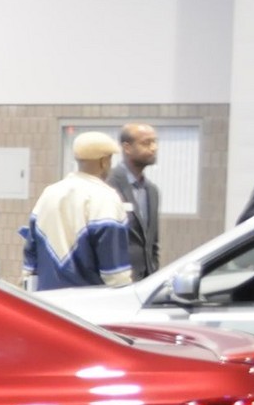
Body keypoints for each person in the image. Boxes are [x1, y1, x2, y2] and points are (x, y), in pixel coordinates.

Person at [21, 132, 135, 291]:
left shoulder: (49, 193)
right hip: (88, 304)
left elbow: (30, 258)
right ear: (104, 161)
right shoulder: (105, 197)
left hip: (47, 302)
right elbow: (115, 272)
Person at [107, 121, 162, 278]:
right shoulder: (108, 185)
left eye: (155, 142)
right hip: (116, 282)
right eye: (146, 143)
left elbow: (153, 244)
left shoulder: (152, 191)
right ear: (127, 148)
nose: (154, 148)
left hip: (146, 283)